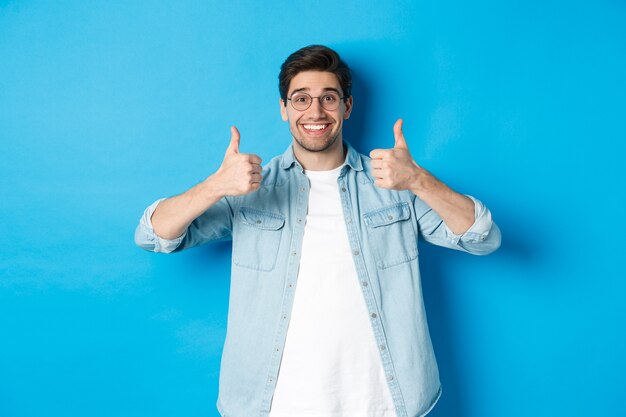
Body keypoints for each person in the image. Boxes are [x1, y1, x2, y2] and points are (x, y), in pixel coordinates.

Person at [135, 45, 501, 417]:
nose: (315, 111)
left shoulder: (392, 183)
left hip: (384, 401)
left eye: (328, 98)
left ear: (347, 107)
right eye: (301, 99)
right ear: (284, 108)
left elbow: (483, 237)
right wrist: (215, 186)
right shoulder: (251, 187)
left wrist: (419, 180)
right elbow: (153, 235)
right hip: (275, 404)